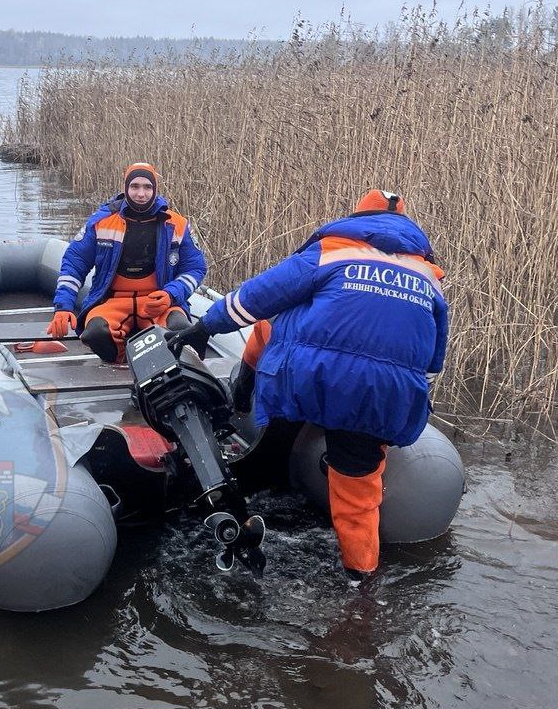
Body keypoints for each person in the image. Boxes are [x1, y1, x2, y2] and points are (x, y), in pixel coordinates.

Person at [171, 190, 448, 581]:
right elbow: (433, 360)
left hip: (313, 382)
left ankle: (246, 418)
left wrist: (205, 325)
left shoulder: (331, 251)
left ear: (357, 218)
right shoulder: (429, 278)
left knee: (277, 325)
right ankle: (360, 580)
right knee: (357, 498)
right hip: (382, 396)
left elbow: (258, 297)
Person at [47, 162, 208, 362]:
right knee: (95, 334)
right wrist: (63, 306)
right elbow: (74, 263)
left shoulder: (177, 224)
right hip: (112, 301)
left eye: (147, 187)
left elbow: (195, 267)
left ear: (155, 189)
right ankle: (122, 362)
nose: (141, 193)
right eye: (135, 186)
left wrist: (171, 294)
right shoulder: (102, 221)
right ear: (125, 188)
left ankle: (163, 367)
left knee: (181, 330)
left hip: (158, 301)